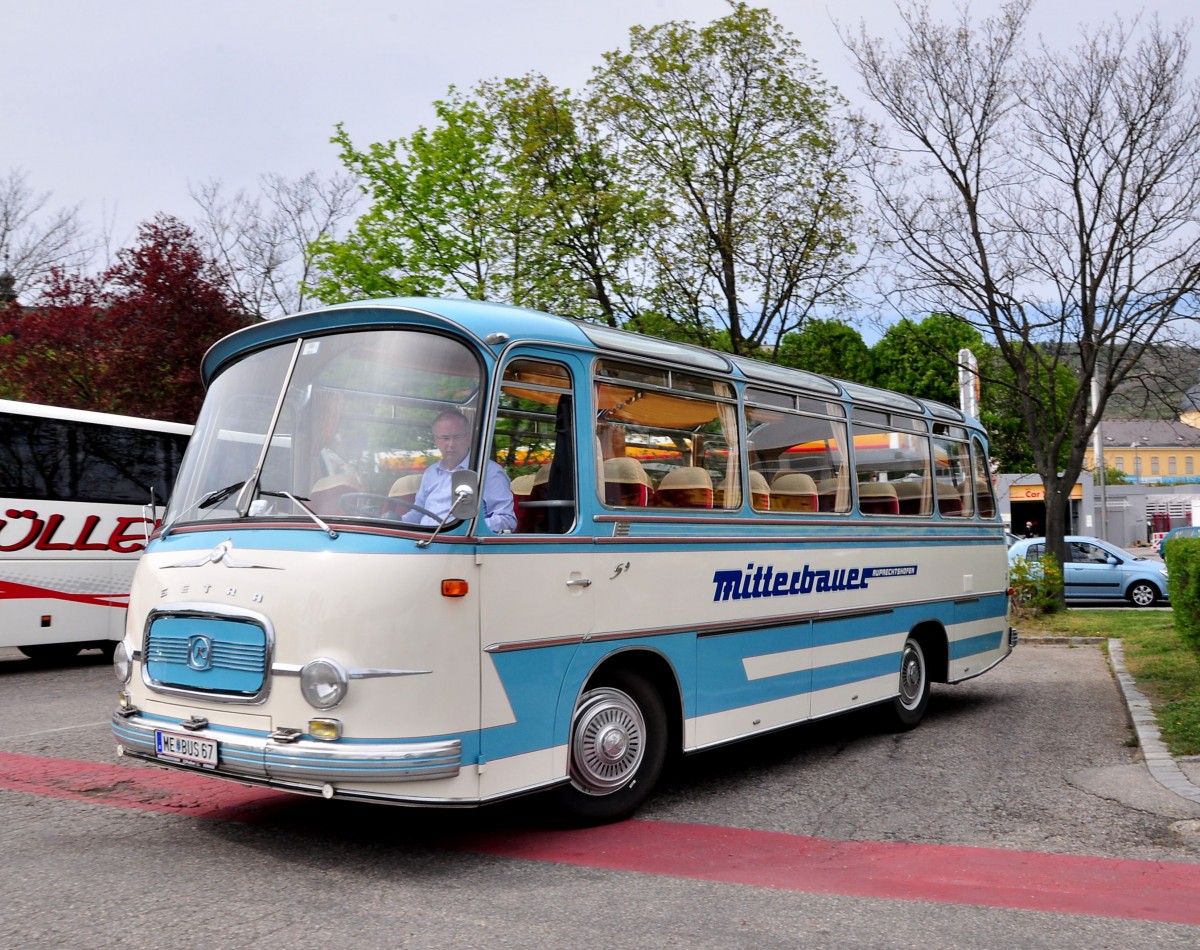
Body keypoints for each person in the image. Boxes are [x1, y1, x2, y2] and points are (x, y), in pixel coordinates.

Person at [403, 409, 516, 532]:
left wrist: (464, 530)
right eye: (445, 438)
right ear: (436, 440)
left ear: (468, 437)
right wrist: (392, 522)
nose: (451, 444)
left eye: (457, 437)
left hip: (460, 545)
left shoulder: (489, 472)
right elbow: (417, 514)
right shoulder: (431, 473)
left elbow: (507, 520)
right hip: (423, 542)